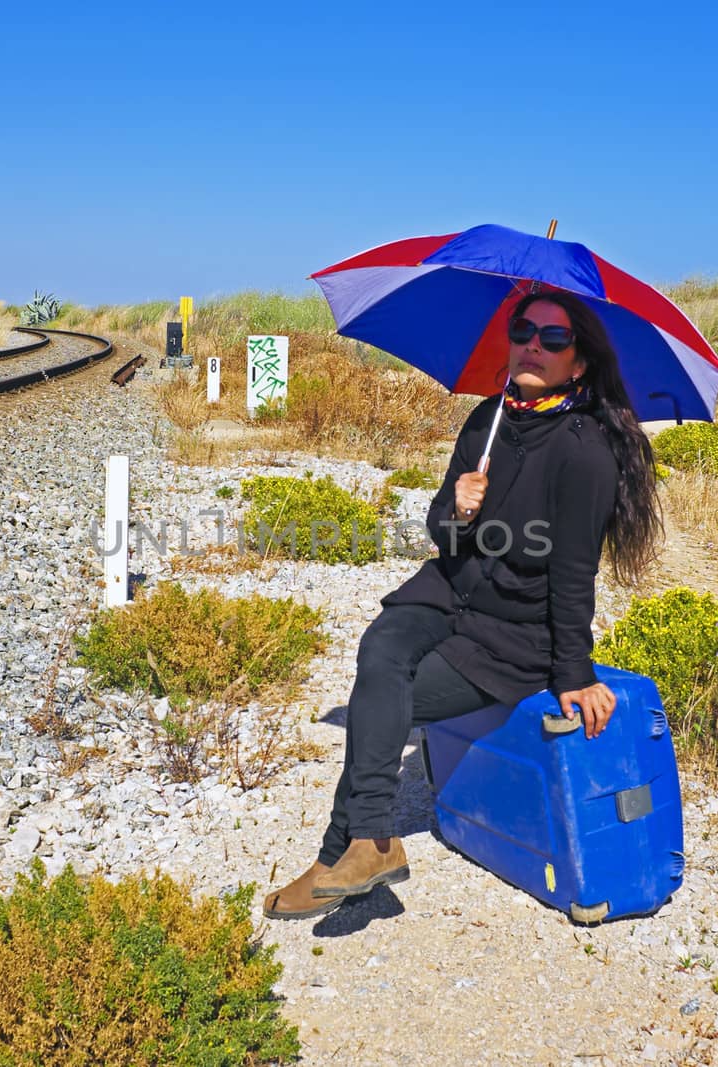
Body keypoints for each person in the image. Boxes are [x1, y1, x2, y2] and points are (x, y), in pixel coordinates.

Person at [263, 290, 663, 920]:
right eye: (524, 330)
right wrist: (456, 507)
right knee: (381, 649)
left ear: (578, 363)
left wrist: (575, 674)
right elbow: (441, 533)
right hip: (447, 592)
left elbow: (573, 571)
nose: (533, 344)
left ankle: (341, 853)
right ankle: (370, 840)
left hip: (509, 635)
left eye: (553, 339)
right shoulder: (486, 422)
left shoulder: (585, 452)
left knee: (385, 706)